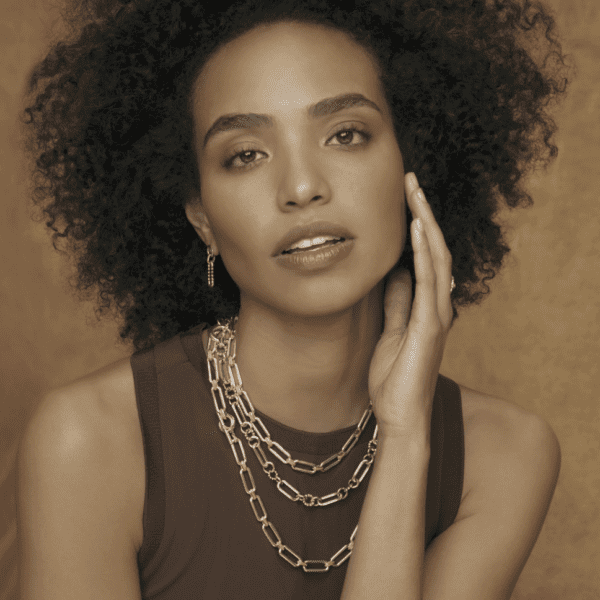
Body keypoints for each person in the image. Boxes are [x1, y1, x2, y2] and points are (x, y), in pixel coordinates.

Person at [16, 0, 568, 598]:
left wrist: (405, 435)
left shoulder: (504, 455)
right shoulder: (90, 441)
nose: (303, 187)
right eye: (246, 154)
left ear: (413, 164)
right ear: (201, 219)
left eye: (346, 134)